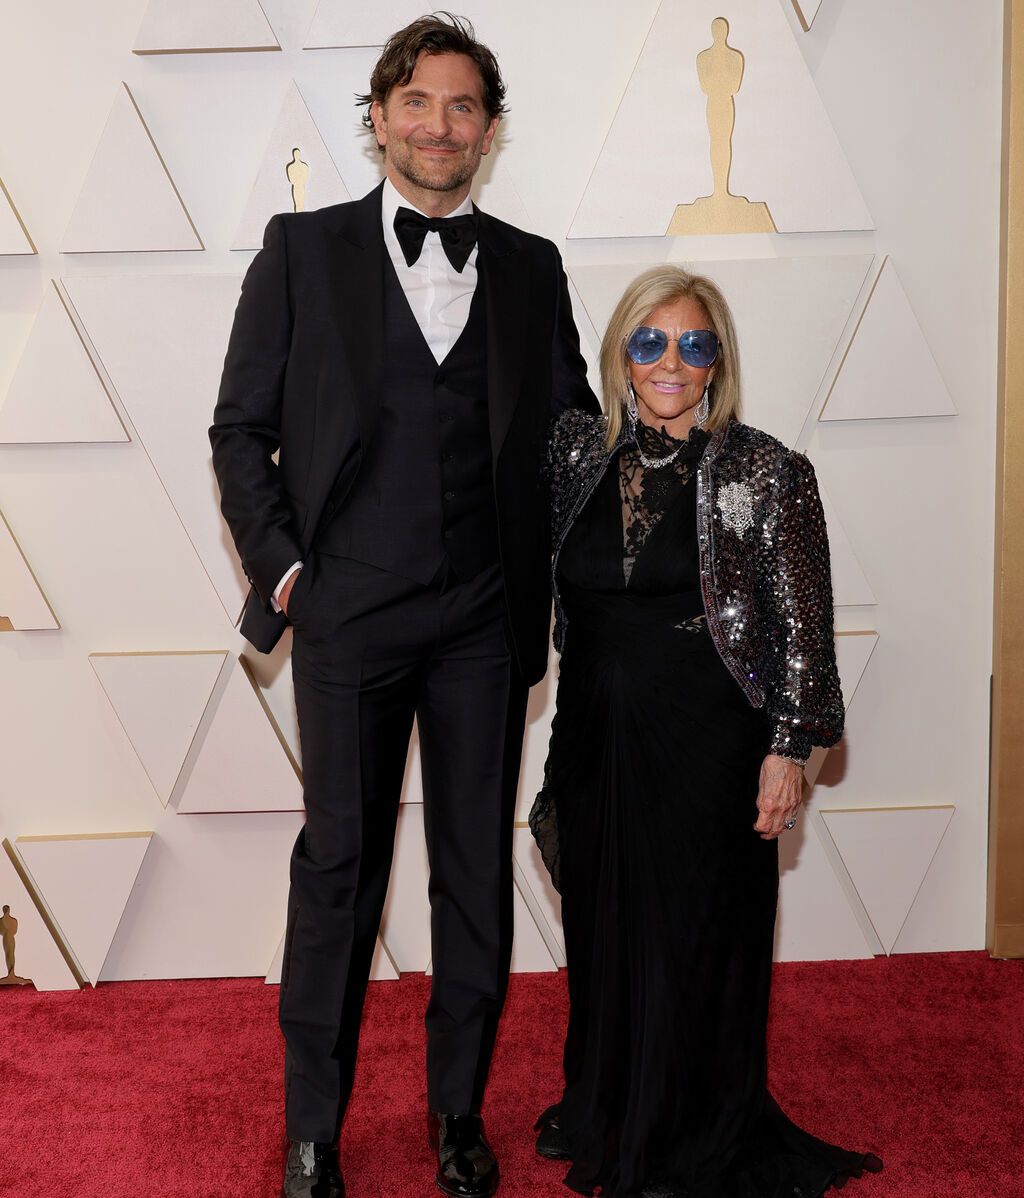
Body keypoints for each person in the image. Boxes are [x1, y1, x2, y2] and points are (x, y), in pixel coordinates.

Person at [209, 14, 597, 1198]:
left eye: (464, 106)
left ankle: (456, 1113)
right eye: (417, 102)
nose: (440, 125)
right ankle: (313, 1130)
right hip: (349, 615)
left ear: (490, 129)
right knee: (340, 865)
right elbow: (241, 432)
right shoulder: (300, 250)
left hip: (483, 618)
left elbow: (571, 434)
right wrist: (287, 576)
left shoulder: (529, 266)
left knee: (471, 867)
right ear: (378, 120)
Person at [529, 266, 883, 1197]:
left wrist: (790, 752)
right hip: (595, 733)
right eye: (649, 342)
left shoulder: (768, 470)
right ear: (620, 355)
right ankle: (610, 1103)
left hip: (711, 741)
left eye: (694, 343)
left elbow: (804, 628)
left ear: (718, 359)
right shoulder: (573, 455)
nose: (670, 363)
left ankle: (694, 1131)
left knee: (698, 937)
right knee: (605, 932)